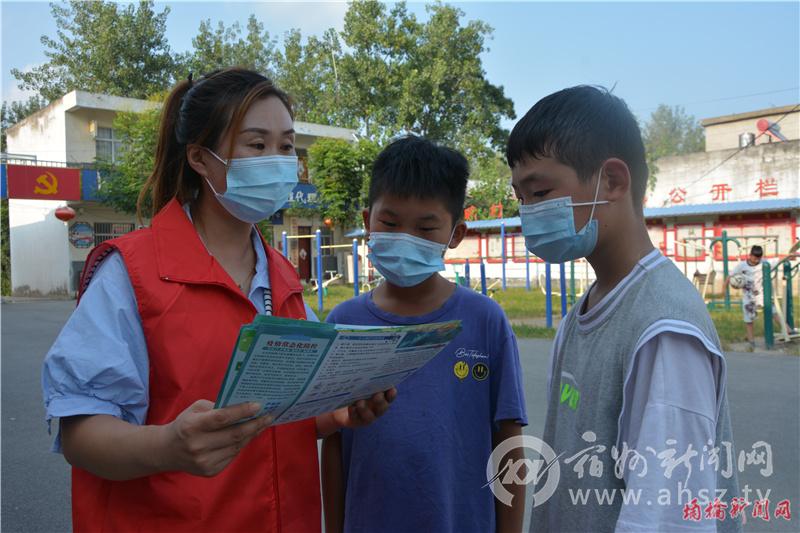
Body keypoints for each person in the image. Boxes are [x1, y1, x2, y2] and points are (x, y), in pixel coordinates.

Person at [41, 68, 394, 533]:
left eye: (287, 146)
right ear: (200, 159)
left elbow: (283, 419)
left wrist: (338, 413)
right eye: (256, 144)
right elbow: (79, 432)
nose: (277, 160)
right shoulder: (133, 271)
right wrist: (167, 445)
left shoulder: (283, 276)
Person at [507, 86, 741, 532]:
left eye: (539, 192)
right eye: (520, 198)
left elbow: (667, 517)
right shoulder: (584, 313)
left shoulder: (663, 328)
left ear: (612, 180)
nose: (528, 214)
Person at [321, 136, 528, 533]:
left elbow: (508, 446)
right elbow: (333, 445)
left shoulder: (485, 321)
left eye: (426, 227)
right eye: (391, 223)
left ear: (456, 233)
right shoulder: (343, 322)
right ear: (367, 223)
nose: (406, 238)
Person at [726, 245, 765, 349]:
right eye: (754, 257)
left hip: (761, 295)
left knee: (772, 310)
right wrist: (724, 288)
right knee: (749, 319)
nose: (756, 260)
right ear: (750, 255)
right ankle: (751, 339)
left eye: (758, 258)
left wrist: (789, 255)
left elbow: (777, 261)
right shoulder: (742, 265)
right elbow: (731, 276)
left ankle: (787, 329)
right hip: (748, 297)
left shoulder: (763, 264)